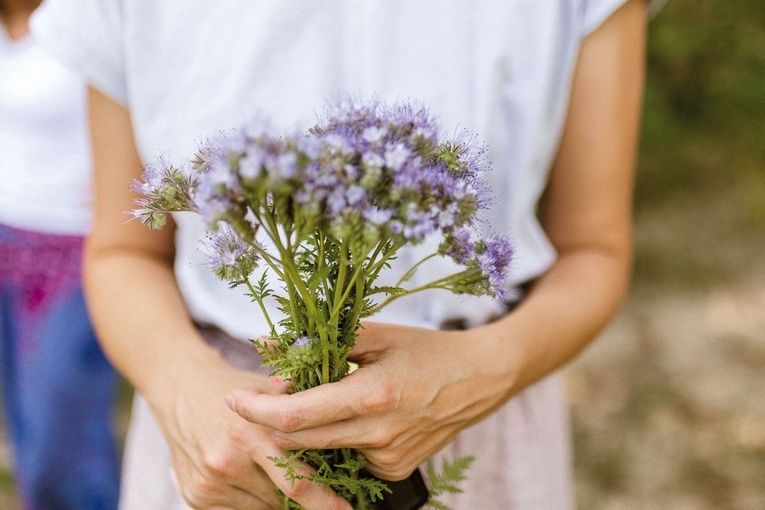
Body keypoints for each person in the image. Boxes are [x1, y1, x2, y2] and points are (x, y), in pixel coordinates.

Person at [31, 0, 656, 508]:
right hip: (218, 441)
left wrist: (485, 368)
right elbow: (123, 251)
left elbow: (593, 249)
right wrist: (182, 392)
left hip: (475, 400)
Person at [0, 1, 120, 508]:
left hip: (74, 249)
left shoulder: (86, 15)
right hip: (7, 238)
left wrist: (129, 187)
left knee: (63, 432)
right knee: (25, 425)